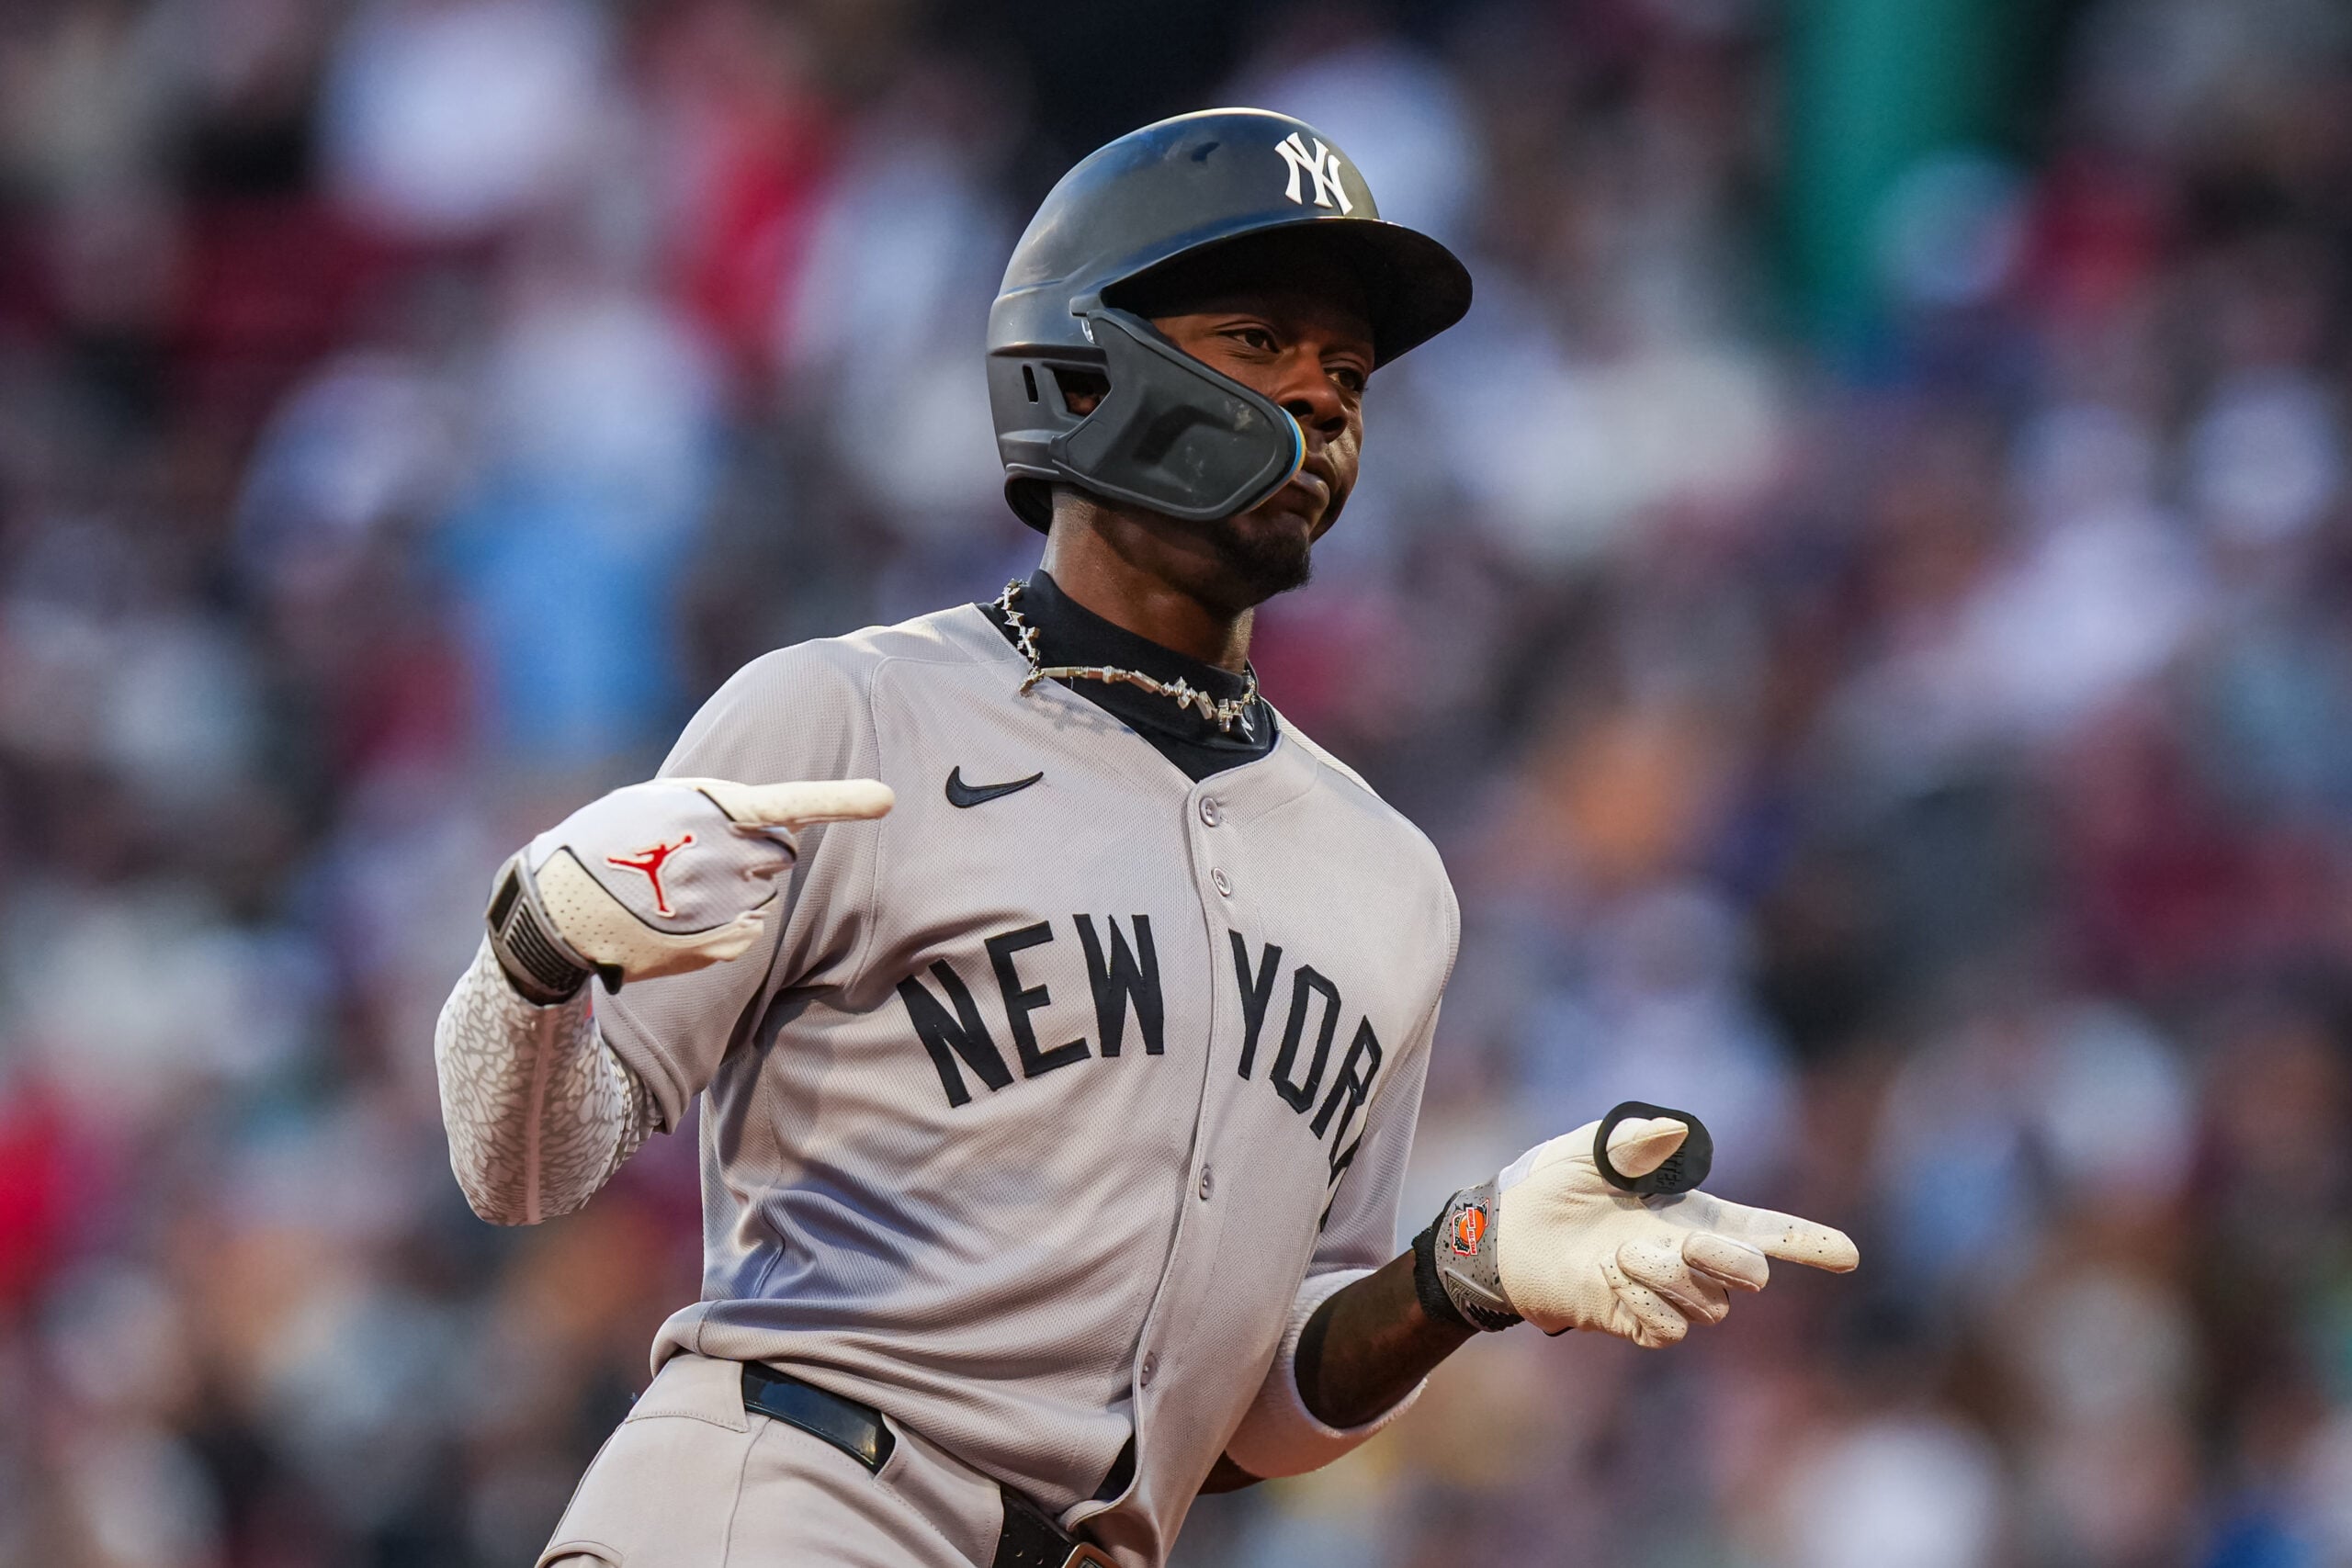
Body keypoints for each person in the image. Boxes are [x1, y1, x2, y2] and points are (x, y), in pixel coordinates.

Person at [432, 107, 1859, 1568]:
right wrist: (532, 954)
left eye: (1351, 370)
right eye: (1258, 338)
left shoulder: (1387, 880)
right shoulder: (847, 715)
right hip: (787, 1504)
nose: (1323, 397)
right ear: (1081, 355)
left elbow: (1238, 1420)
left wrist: (1462, 1273)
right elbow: (525, 1171)